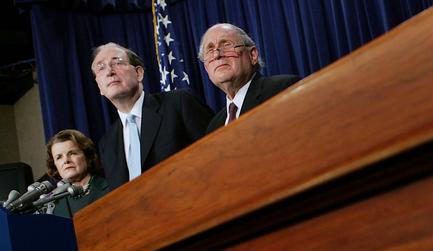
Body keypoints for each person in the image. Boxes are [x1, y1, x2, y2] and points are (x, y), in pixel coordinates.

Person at [92, 43, 213, 190]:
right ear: (99, 87)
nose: (109, 71)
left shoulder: (179, 103)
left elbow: (216, 155)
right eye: (101, 67)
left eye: (117, 62)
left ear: (139, 73)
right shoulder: (107, 144)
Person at [199, 24, 300, 134]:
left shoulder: (282, 90)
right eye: (210, 50)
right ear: (207, 69)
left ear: (253, 55)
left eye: (227, 45)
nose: (217, 55)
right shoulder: (214, 126)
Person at [45, 129, 110, 217]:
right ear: (55, 165)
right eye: (59, 157)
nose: (66, 161)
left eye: (72, 153)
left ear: (87, 157)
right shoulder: (53, 203)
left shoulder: (110, 187)